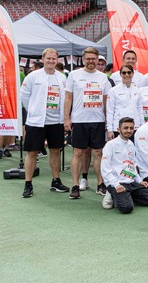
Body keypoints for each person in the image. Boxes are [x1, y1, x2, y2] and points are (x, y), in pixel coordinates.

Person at [20, 48, 69, 198]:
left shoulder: (62, 77)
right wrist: (34, 110)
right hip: (36, 122)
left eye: (54, 59)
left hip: (56, 121)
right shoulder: (33, 76)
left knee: (55, 150)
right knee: (32, 152)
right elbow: (24, 95)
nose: (51, 61)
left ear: (57, 60)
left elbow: (66, 98)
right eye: (48, 58)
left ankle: (56, 181)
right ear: (43, 59)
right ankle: (28, 184)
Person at [64, 47, 112, 199]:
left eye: (94, 59)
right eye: (88, 58)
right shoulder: (74, 75)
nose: (91, 61)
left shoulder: (103, 77)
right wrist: (67, 118)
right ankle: (75, 185)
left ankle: (100, 183)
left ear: (98, 60)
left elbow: (106, 100)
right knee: (78, 152)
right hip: (79, 120)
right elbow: (68, 98)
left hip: (97, 120)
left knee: (98, 152)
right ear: (83, 59)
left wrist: (107, 120)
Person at [100, 117, 148, 213]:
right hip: (117, 183)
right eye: (126, 128)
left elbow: (133, 165)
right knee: (127, 208)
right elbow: (105, 168)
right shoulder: (110, 145)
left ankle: (127, 197)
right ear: (119, 130)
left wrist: (139, 180)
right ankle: (112, 193)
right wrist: (116, 185)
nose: (129, 131)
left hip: (131, 182)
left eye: (131, 128)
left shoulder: (131, 144)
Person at [106, 64, 142, 139]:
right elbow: (110, 111)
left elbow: (139, 110)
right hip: (118, 127)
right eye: (124, 73)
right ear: (120, 74)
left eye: (129, 72)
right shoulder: (113, 90)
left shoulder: (137, 90)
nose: (126, 75)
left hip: (135, 127)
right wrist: (109, 129)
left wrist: (141, 127)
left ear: (132, 74)